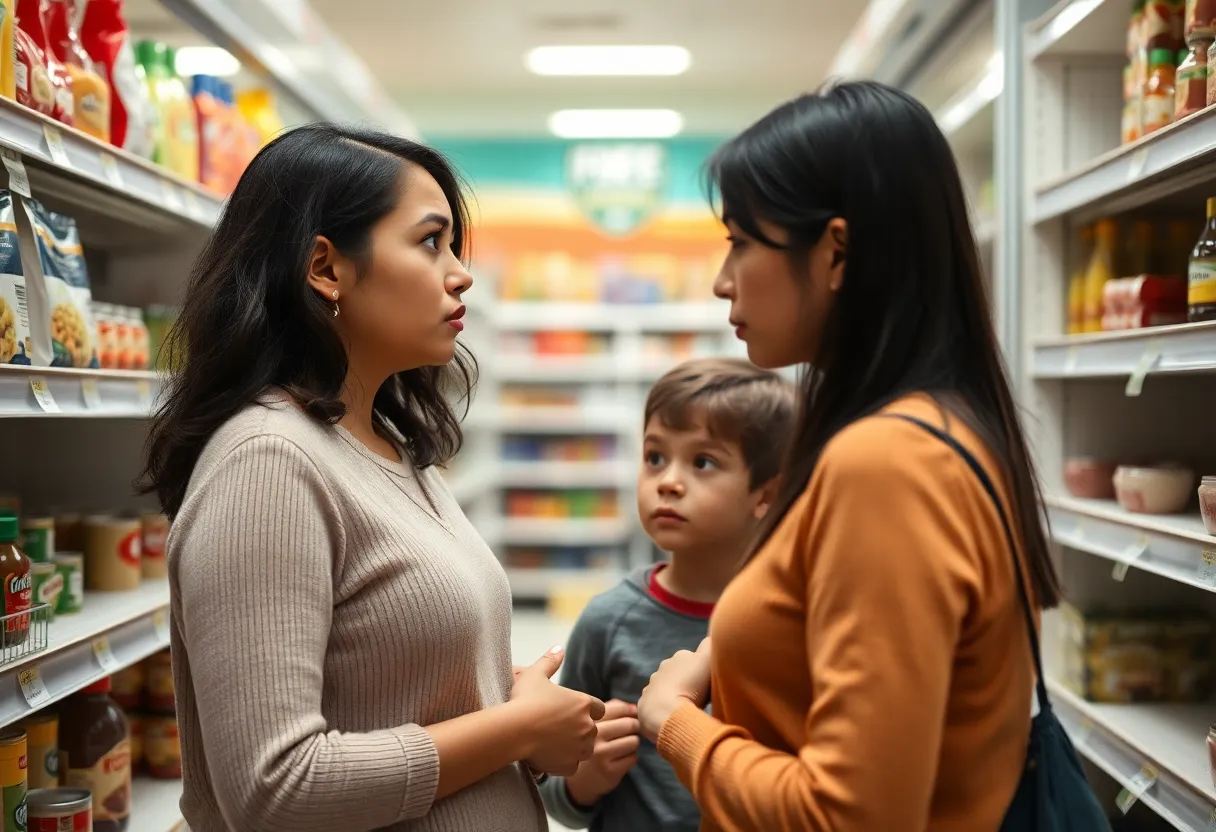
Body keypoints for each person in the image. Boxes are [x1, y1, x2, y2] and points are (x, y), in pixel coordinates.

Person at [141, 122, 604, 832]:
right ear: (326, 268)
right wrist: (513, 733)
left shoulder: (384, 444)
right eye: (430, 242)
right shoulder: (268, 463)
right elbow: (276, 791)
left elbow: (403, 697)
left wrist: (516, 721)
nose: (461, 272)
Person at [636, 80, 1060, 831]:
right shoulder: (949, 428)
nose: (721, 279)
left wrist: (676, 721)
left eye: (740, 240)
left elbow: (850, 817)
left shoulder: (887, 464)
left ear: (835, 251)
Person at [540, 358, 795, 832]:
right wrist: (586, 778)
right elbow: (555, 790)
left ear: (766, 494)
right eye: (655, 456)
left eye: (703, 462)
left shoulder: (789, 625)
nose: (668, 482)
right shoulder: (610, 620)